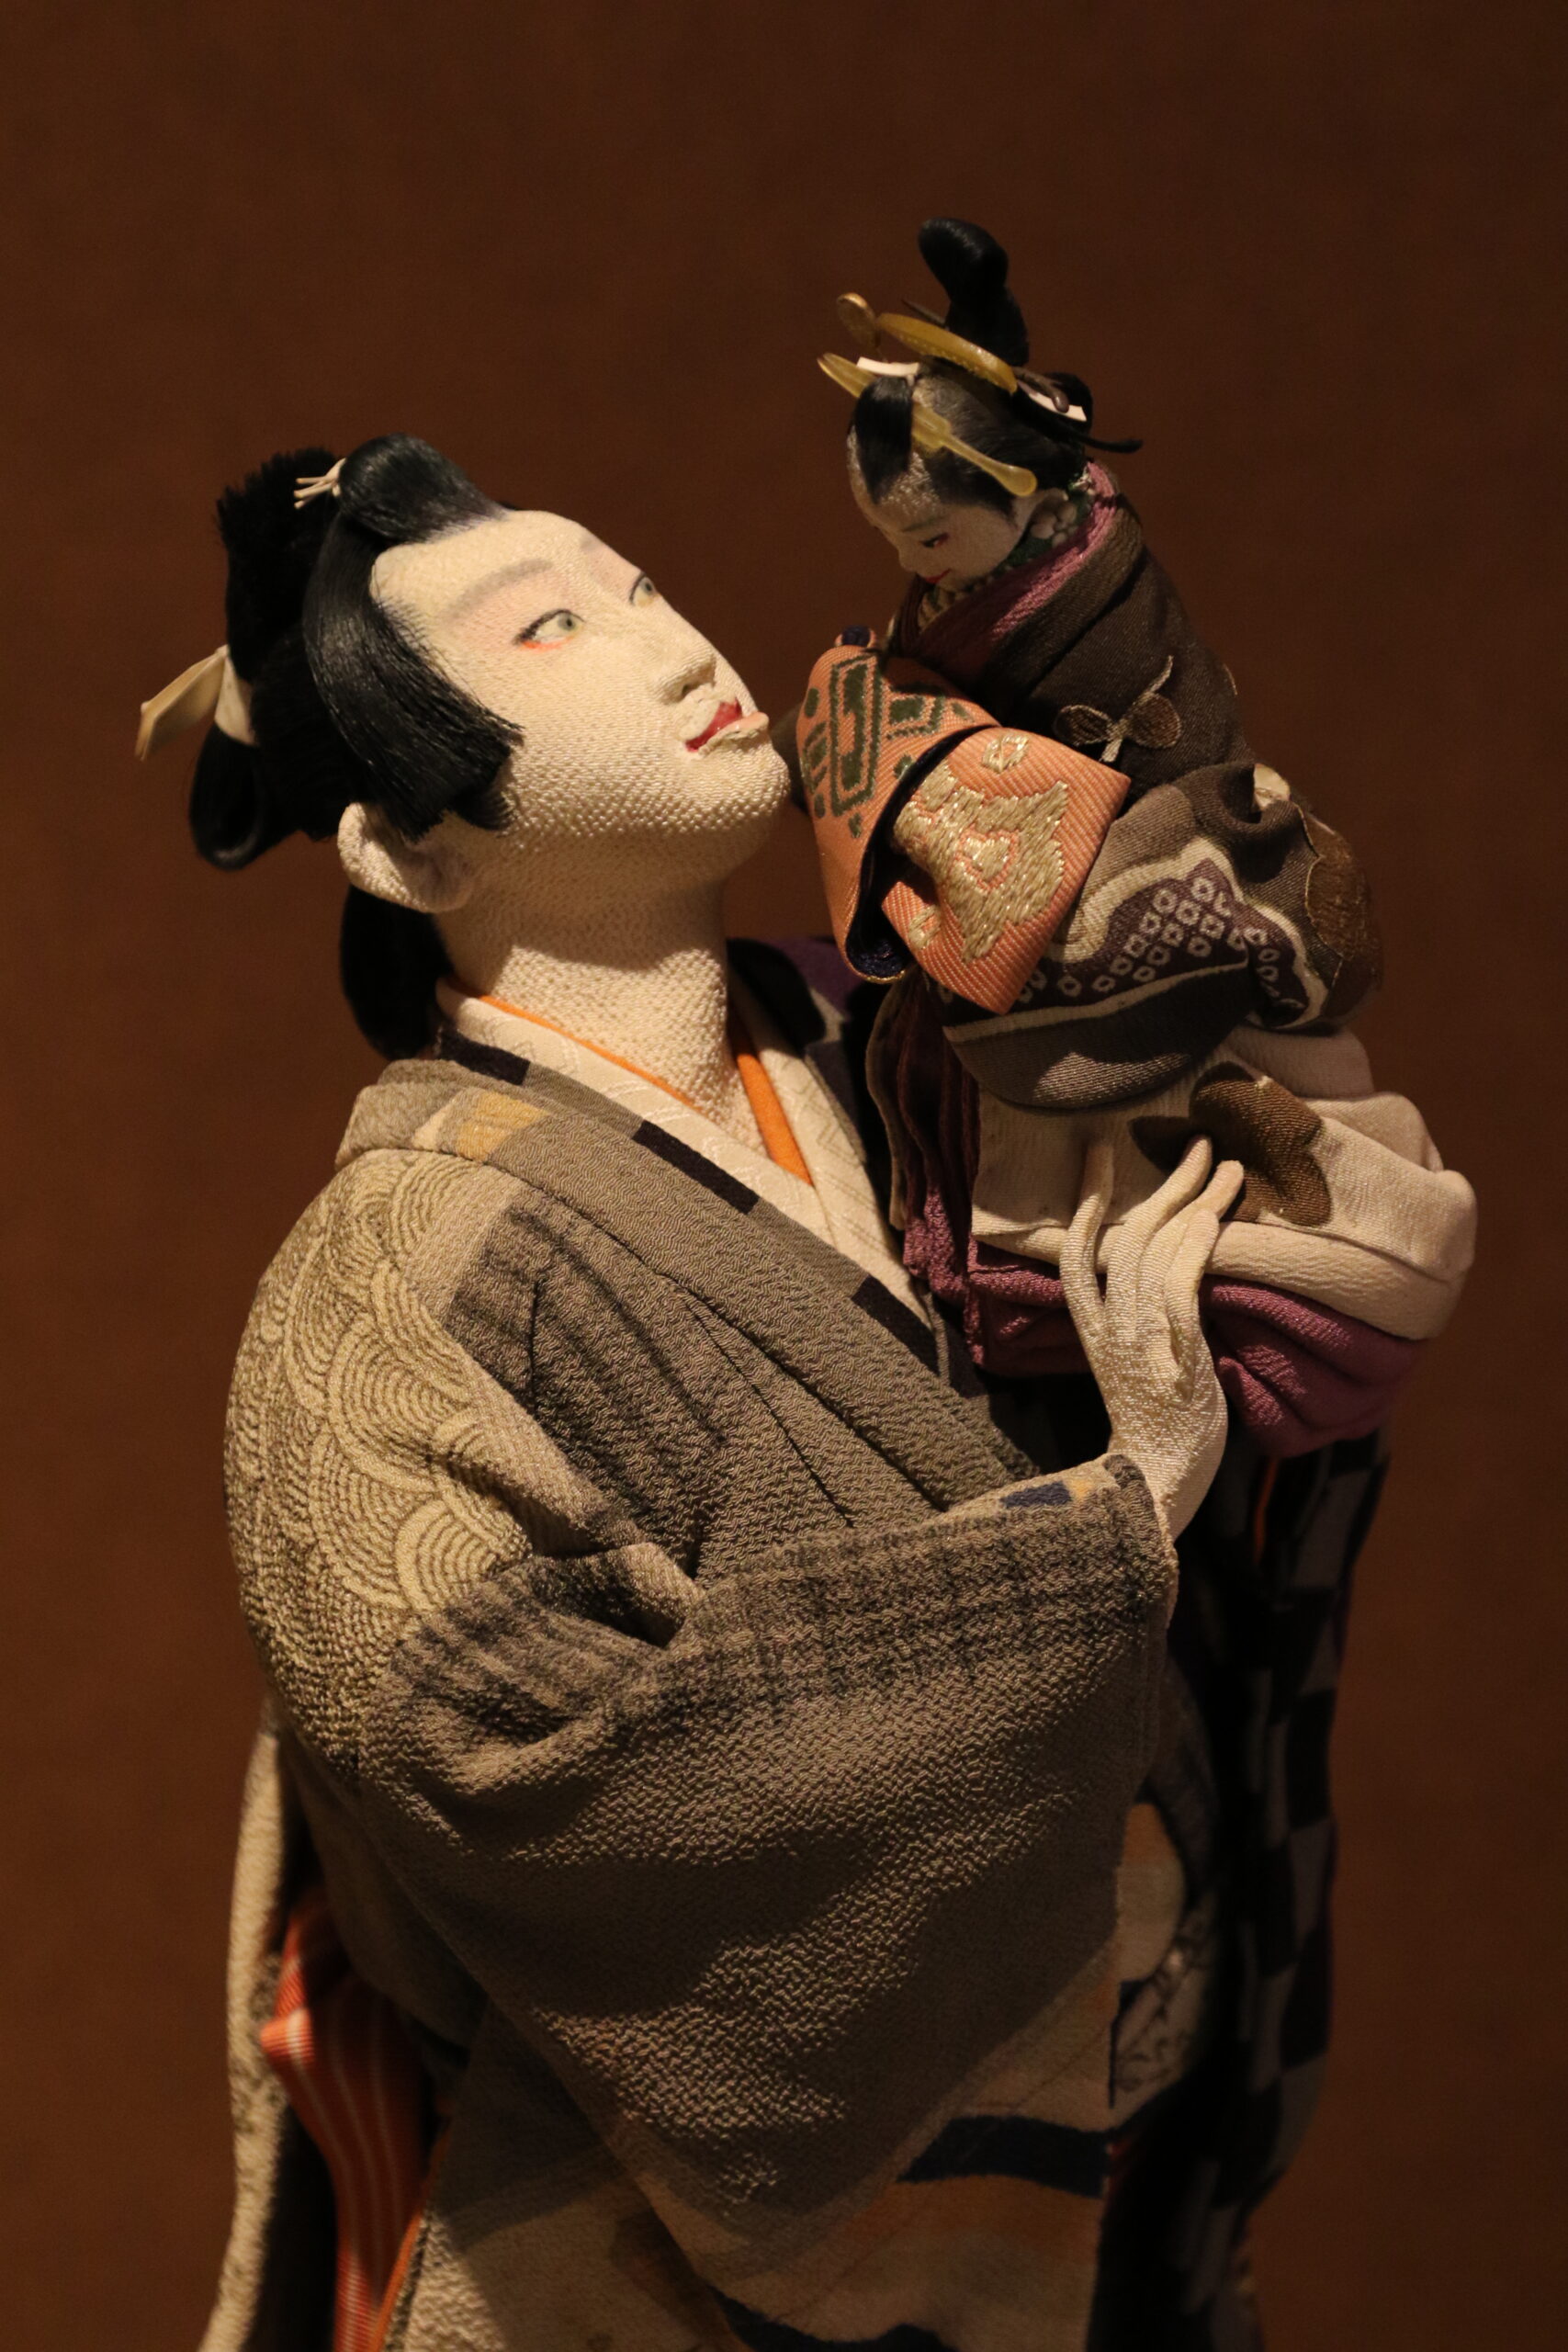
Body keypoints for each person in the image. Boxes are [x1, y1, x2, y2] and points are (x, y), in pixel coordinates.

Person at [138, 432, 1343, 2352]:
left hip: (1113, 2134)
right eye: (551, 630)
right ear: (412, 844)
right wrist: (1108, 1522)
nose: (668, 641)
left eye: (631, 586)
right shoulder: (378, 1293)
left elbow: (1254, 1047)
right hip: (699, 2257)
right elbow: (528, 1765)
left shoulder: (905, 1050)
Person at [793, 217, 1474, 1458]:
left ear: (1023, 489)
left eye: (926, 536)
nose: (907, 563)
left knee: (1175, 1192)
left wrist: (925, 773)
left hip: (1144, 873)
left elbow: (1123, 790)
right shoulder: (982, 575)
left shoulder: (1109, 633)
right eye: (888, 538)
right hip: (1021, 874)